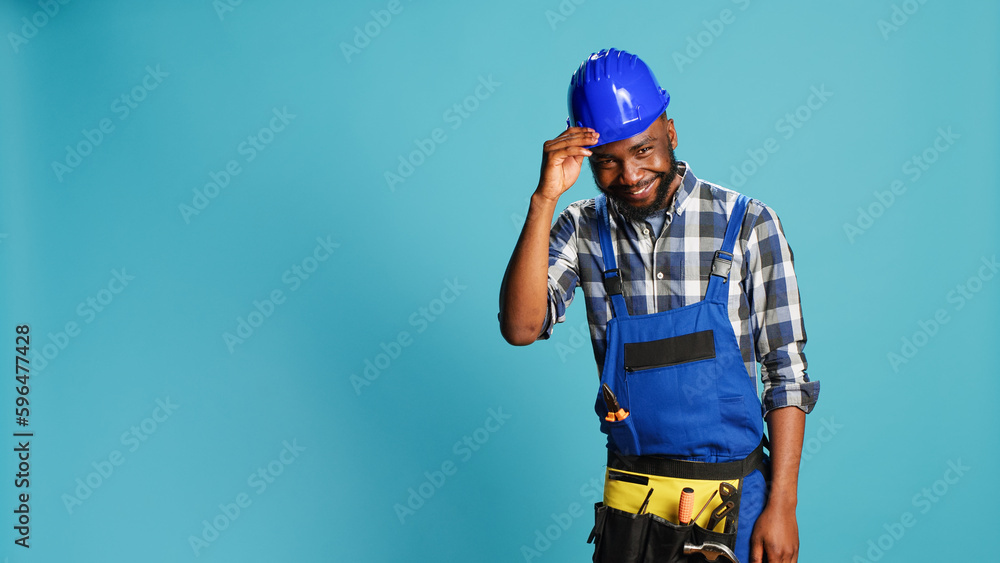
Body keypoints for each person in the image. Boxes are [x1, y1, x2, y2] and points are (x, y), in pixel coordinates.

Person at [498, 48, 819, 563]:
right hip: (633, 507)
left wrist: (783, 504)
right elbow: (520, 327)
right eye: (607, 161)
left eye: (643, 149)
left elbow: (787, 373)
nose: (629, 174)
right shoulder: (581, 228)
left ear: (671, 131)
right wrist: (544, 200)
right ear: (586, 158)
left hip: (734, 502)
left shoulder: (749, 224)